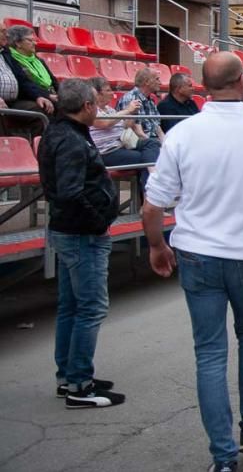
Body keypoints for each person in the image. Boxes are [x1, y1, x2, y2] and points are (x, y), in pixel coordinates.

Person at [142, 52, 243, 472]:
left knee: (210, 353)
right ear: (242, 81)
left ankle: (223, 458)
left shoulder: (182, 134)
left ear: (201, 86)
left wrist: (157, 246)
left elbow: (152, 207)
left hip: (197, 254)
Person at [38, 78, 124, 408]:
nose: (98, 109)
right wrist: (99, 221)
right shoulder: (70, 140)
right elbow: (70, 192)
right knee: (90, 308)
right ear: (87, 106)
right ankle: (80, 385)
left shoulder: (61, 132)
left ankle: (69, 376)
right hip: (81, 234)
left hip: (71, 231)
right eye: (96, 105)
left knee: (72, 307)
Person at [89, 77, 160, 188]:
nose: (112, 93)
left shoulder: (110, 109)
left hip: (123, 144)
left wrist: (133, 113)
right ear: (97, 94)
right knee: (145, 159)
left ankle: (152, 179)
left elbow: (126, 126)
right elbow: (104, 123)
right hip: (107, 151)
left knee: (153, 143)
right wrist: (127, 110)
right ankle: (151, 194)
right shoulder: (92, 110)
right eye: (107, 90)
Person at [0, 23, 54, 136]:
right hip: (2, 102)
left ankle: (41, 149)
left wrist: (38, 96)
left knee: (42, 109)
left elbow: (22, 80)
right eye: (3, 32)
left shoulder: (6, 53)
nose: (7, 35)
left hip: (13, 102)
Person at [118, 67, 165, 142]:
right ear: (147, 82)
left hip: (153, 141)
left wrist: (166, 143)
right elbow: (137, 133)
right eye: (157, 79)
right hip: (141, 143)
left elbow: (158, 129)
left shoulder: (150, 101)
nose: (160, 83)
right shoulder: (131, 99)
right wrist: (156, 144)